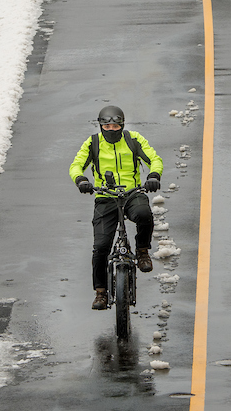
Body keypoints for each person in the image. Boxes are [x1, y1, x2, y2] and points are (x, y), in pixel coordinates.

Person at [69, 104, 163, 311]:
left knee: (144, 214)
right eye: (107, 126)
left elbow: (154, 158)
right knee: (101, 247)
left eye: (115, 125)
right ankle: (101, 292)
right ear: (100, 125)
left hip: (132, 193)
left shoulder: (134, 139)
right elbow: (76, 165)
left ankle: (142, 250)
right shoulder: (92, 143)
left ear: (122, 125)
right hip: (106, 197)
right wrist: (81, 180)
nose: (111, 129)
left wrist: (153, 175)